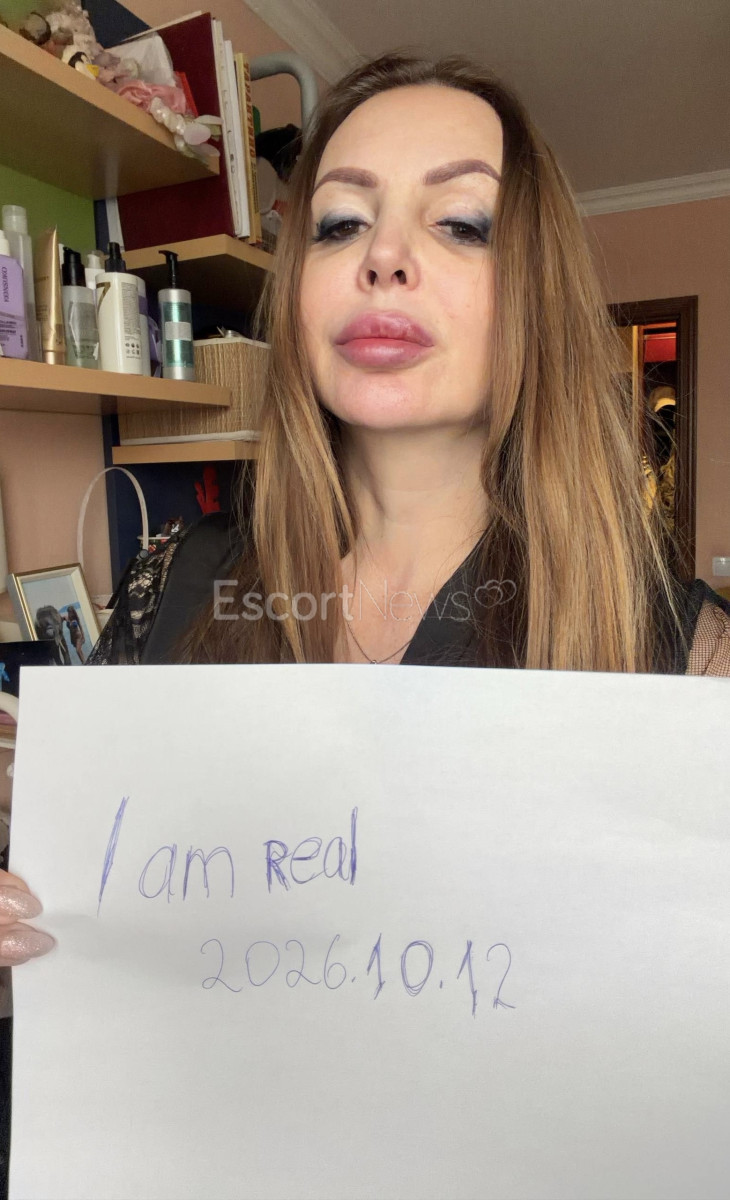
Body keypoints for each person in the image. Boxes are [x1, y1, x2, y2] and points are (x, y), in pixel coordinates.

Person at [1, 50, 729, 1183]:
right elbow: (87, 930)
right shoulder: (173, 585)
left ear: (534, 292)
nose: (383, 257)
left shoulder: (684, 659)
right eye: (340, 224)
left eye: (462, 225)